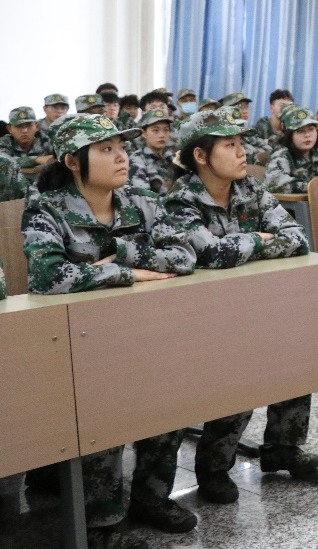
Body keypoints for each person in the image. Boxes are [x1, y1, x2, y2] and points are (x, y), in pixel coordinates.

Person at [23, 114, 197, 546]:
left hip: (143, 331)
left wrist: (117, 255)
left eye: (122, 147)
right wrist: (130, 272)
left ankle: (152, 498)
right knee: (102, 418)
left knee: (168, 406)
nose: (122, 157)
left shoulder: (143, 201)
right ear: (73, 161)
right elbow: (48, 276)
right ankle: (102, 523)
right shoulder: (47, 209)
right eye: (106, 149)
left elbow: (185, 256)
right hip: (79, 344)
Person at [161, 108, 318, 503]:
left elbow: (297, 237)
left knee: (295, 356)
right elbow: (210, 254)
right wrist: (260, 240)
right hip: (200, 316)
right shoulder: (180, 200)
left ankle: (282, 447)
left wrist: (246, 246)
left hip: (255, 303)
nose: (242, 151)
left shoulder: (250, 188)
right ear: (201, 156)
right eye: (230, 145)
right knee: (240, 371)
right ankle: (214, 467)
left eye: (241, 143)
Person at [265, 107, 318, 193]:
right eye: (300, 131)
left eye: (311, 129)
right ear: (289, 134)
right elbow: (275, 183)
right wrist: (312, 187)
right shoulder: (282, 155)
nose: (307, 135)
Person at [128, 108, 180, 195]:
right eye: (155, 130)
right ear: (144, 133)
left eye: (166, 130)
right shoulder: (137, 159)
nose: (162, 135)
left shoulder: (173, 158)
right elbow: (143, 196)